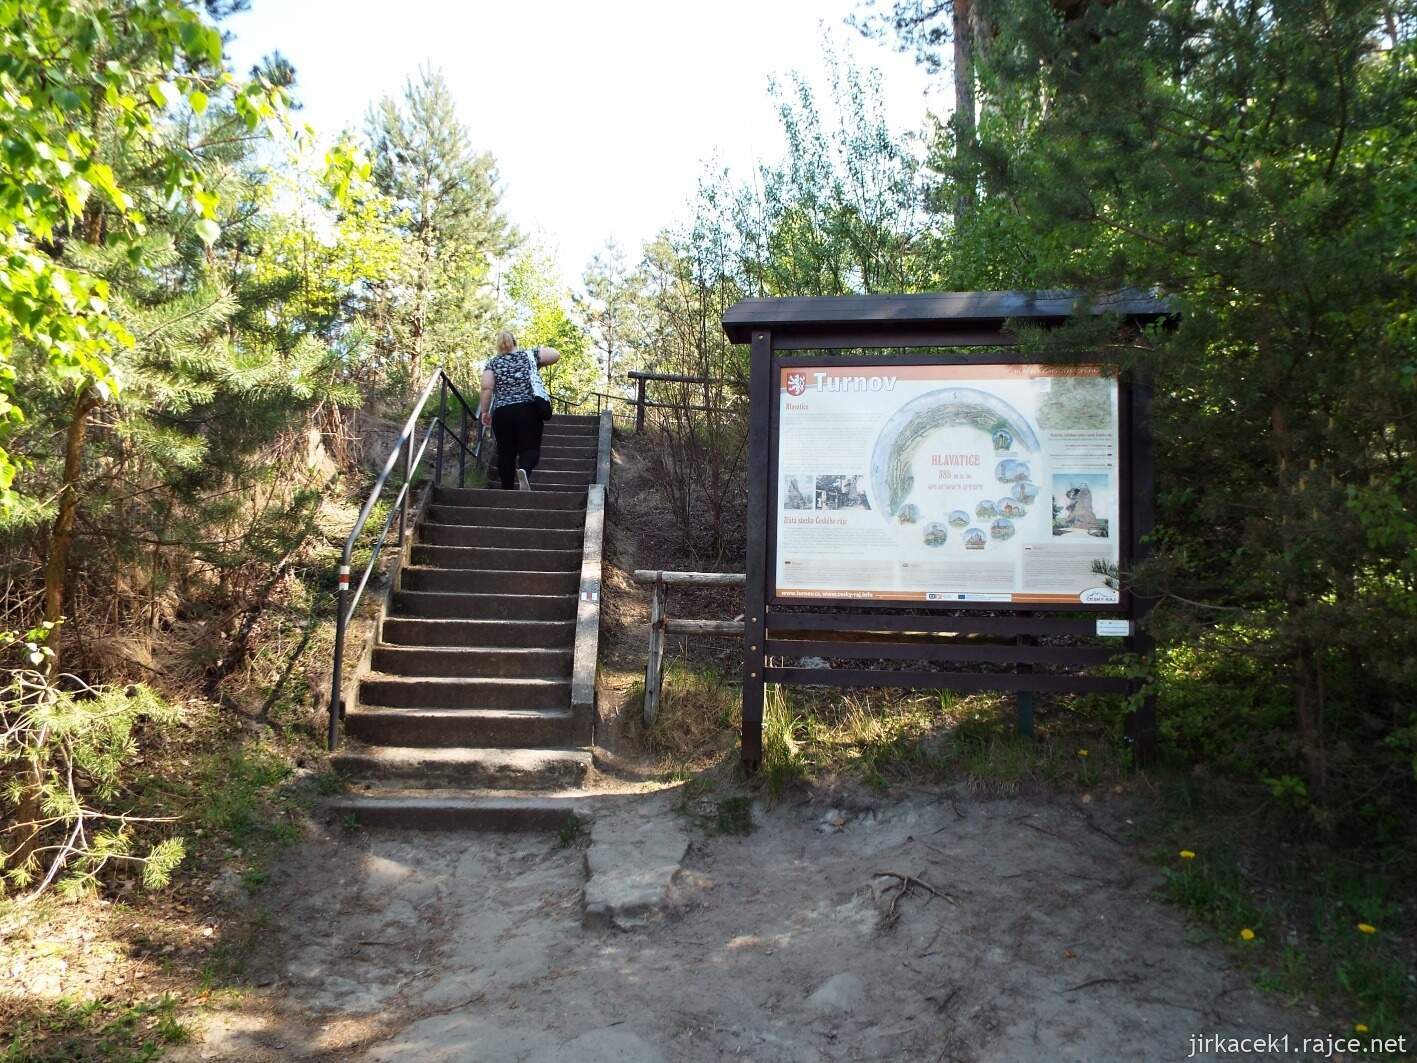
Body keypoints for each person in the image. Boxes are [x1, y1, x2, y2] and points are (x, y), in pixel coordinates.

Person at [480, 331, 560, 490]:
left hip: (502, 413)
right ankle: (524, 469)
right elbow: (555, 354)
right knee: (530, 448)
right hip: (528, 410)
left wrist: (484, 411)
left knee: (505, 452)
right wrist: (537, 358)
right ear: (515, 342)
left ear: (498, 345)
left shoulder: (493, 362)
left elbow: (486, 387)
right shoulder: (529, 356)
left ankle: (507, 489)